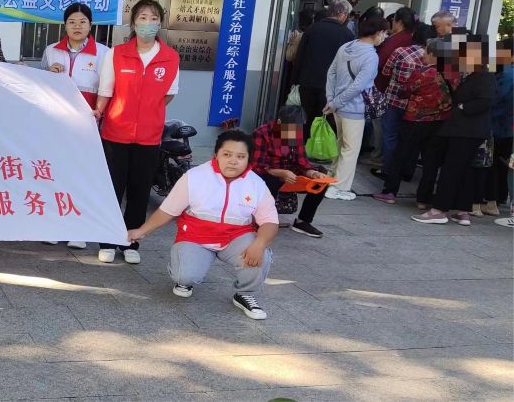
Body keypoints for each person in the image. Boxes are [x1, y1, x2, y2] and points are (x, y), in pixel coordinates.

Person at [127, 130, 277, 320]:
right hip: (195, 237)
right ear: (216, 154)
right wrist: (142, 231)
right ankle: (184, 275)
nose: (233, 161)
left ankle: (245, 294)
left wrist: (259, 244)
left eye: (240, 156)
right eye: (227, 154)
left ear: (248, 159)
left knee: (261, 254)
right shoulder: (195, 176)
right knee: (185, 275)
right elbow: (168, 210)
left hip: (236, 237)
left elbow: (270, 221)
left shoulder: (256, 184)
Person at [93, 0, 181, 264]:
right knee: (112, 188)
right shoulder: (117, 53)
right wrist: (99, 112)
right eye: (142, 17)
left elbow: (169, 94)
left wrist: (148, 112)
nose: (148, 23)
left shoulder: (170, 57)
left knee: (140, 190)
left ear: (160, 23)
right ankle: (107, 240)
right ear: (133, 23)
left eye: (154, 18)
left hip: (149, 136)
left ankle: (131, 241)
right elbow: (106, 90)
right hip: (115, 132)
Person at [41, 3, 110, 251]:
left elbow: (107, 88)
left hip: (87, 124)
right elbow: (40, 85)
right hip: (57, 124)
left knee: (81, 176)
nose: (77, 26)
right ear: (65, 25)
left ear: (90, 25)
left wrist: (98, 113)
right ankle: (54, 225)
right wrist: (49, 74)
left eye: (82, 22)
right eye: (71, 22)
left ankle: (78, 229)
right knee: (56, 173)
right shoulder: (51, 51)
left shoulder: (104, 54)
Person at [413, 34, 496, 225]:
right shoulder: (473, 74)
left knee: (451, 169)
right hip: (463, 129)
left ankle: (439, 210)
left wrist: (462, 107)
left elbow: (485, 101)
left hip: (466, 131)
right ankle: (463, 211)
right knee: (464, 170)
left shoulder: (483, 76)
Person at [374, 38, 451, 205]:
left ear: (432, 54)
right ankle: (423, 199)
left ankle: (390, 192)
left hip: (415, 119)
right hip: (439, 121)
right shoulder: (452, 75)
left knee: (400, 155)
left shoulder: (422, 73)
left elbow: (405, 91)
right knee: (431, 162)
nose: (423, 55)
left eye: (426, 52)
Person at [323, 18, 390, 200]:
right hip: (353, 108)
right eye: (384, 33)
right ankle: (339, 187)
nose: (385, 37)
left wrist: (331, 99)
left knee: (340, 146)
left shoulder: (346, 47)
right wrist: (335, 102)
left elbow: (331, 73)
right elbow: (358, 86)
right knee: (350, 149)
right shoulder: (371, 56)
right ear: (377, 33)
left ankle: (330, 179)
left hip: (337, 107)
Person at [252, 106, 331, 238]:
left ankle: (302, 221)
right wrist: (281, 173)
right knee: (270, 181)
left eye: (297, 128)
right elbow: (257, 166)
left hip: (291, 175)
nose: (293, 132)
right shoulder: (262, 133)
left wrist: (312, 173)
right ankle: (262, 221)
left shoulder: (295, 133)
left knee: (321, 183)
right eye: (289, 128)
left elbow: (302, 162)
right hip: (268, 174)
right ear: (279, 122)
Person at [290, 0, 355, 138]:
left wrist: (294, 80)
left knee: (306, 118)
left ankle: (304, 145)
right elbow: (348, 65)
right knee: (326, 121)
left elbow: (300, 56)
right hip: (331, 88)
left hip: (307, 83)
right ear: (342, 14)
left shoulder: (312, 29)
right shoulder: (347, 35)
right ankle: (321, 147)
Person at [376, 22, 433, 179]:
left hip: (394, 100)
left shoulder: (400, 51)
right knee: (409, 140)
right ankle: (405, 171)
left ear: (414, 36)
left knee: (390, 135)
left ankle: (388, 170)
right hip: (415, 105)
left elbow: (386, 71)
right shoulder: (431, 58)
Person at [373, 7, 417, 172]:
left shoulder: (395, 42)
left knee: (386, 130)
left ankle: (384, 163)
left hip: (388, 91)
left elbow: (382, 66)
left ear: (399, 22)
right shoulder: (413, 40)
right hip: (412, 98)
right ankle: (397, 167)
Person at [484, 38, 513, 218]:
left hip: (497, 125)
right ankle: (501, 196)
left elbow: (495, 98)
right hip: (508, 128)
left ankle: (491, 200)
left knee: (492, 163)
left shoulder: (505, 73)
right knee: (504, 164)